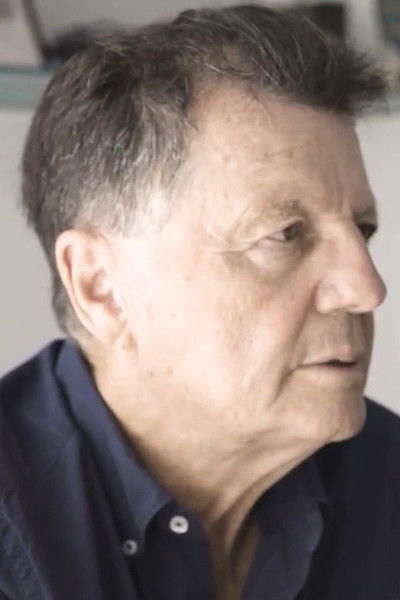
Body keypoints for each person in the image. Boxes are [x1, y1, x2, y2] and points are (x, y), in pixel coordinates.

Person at [0, 4, 398, 599]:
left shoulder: (383, 482)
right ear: (101, 288)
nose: (367, 288)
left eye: (362, 231)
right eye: (285, 234)